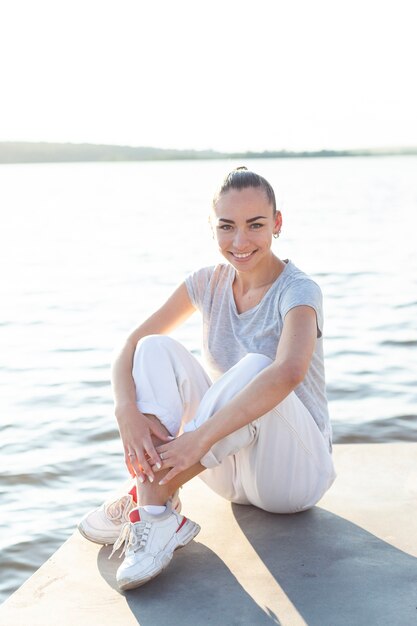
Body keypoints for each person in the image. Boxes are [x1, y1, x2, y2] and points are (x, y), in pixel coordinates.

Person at [78, 167, 336, 591]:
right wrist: (125, 409)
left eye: (255, 225)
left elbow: (289, 371)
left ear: (277, 223)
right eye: (227, 227)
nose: (240, 242)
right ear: (212, 227)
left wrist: (198, 438)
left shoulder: (298, 290)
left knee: (257, 368)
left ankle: (147, 500)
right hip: (228, 474)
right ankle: (158, 510)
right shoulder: (206, 282)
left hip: (294, 478)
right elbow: (129, 344)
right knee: (152, 348)